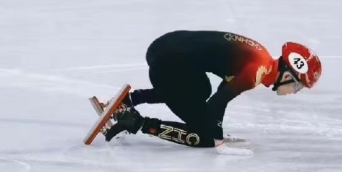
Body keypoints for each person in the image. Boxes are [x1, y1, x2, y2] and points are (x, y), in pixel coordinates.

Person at [103, 29, 322, 148]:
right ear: (286, 74)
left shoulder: (261, 57)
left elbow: (213, 100)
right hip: (168, 62)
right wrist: (216, 138)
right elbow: (220, 101)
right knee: (204, 137)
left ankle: (131, 99)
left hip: (165, 47)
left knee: (199, 92)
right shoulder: (258, 71)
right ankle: (137, 122)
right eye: (297, 85)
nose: (295, 91)